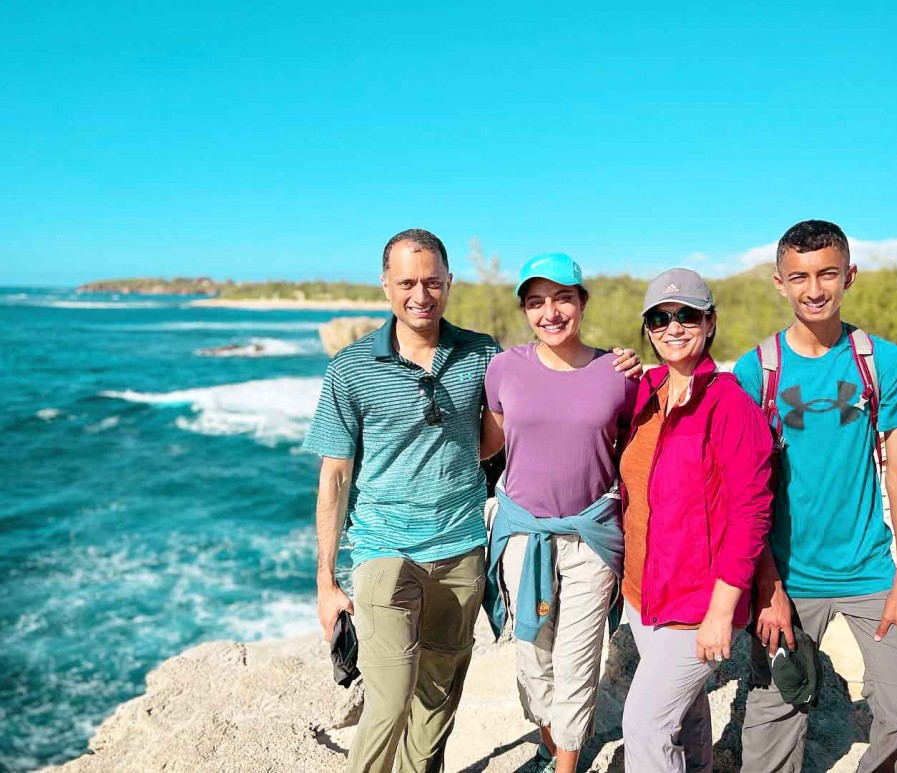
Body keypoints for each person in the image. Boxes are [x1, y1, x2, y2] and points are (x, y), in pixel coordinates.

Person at [303, 231, 640, 773]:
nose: (421, 294)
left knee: (438, 701)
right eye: (407, 282)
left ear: (449, 283)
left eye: (432, 281)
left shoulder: (482, 354)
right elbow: (335, 477)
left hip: (464, 549)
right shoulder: (351, 367)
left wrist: (618, 363)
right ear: (386, 285)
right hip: (384, 550)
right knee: (389, 697)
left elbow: (507, 428)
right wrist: (325, 582)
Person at [734, 220, 897, 772]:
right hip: (787, 579)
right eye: (799, 277)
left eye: (827, 274)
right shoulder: (757, 371)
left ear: (850, 276)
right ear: (779, 282)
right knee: (774, 720)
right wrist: (767, 586)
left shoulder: (885, 363)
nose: (814, 289)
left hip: (871, 573)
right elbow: (748, 492)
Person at [480, 253, 638, 773]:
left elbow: (636, 452)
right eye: (536, 302)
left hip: (591, 536)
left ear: (583, 302)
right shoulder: (503, 369)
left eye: (563, 298)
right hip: (523, 535)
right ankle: (551, 737)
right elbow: (489, 445)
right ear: (525, 310)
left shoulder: (618, 373)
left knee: (577, 661)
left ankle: (565, 764)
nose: (551, 312)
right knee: (532, 658)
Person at [618, 267, 773, 772]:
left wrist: (721, 611)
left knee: (644, 725)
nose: (673, 327)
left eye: (687, 314)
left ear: (710, 322)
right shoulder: (646, 391)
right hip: (643, 593)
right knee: (684, 715)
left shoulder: (731, 405)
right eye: (660, 318)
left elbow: (751, 515)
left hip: (697, 603)